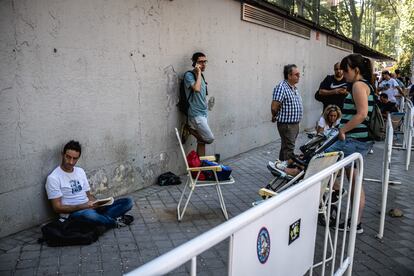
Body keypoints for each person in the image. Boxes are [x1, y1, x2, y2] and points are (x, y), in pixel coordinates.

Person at [325, 54, 376, 234]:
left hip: (353, 140)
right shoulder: (364, 85)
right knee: (355, 181)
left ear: (356, 70)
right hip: (357, 141)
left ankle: (337, 194)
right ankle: (355, 223)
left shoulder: (358, 86)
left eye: (345, 70)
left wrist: (342, 130)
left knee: (318, 162)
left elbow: (361, 114)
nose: (343, 74)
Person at [45, 140, 134, 228]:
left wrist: (97, 203)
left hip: (90, 207)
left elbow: (88, 195)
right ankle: (114, 223)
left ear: (78, 158)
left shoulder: (80, 171)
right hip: (74, 214)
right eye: (68, 157)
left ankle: (101, 220)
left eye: (75, 158)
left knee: (128, 202)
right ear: (62, 154)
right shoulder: (53, 178)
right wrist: (82, 206)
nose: (71, 162)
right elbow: (57, 208)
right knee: (89, 215)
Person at [182, 52, 214, 156]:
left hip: (203, 112)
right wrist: (199, 73)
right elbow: (196, 89)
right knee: (209, 139)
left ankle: (200, 167)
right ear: (195, 63)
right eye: (200, 62)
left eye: (205, 62)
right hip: (196, 114)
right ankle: (189, 130)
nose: (203, 64)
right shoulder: (189, 75)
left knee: (202, 141)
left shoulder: (202, 77)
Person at [270, 64, 303, 164]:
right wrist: (274, 115)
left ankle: (279, 167)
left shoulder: (293, 88)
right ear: (289, 75)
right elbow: (274, 106)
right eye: (296, 74)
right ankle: (285, 170)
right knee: (289, 149)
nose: (299, 76)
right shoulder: (282, 87)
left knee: (286, 147)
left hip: (294, 124)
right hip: (287, 125)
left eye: (299, 74)